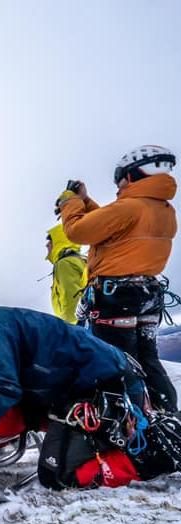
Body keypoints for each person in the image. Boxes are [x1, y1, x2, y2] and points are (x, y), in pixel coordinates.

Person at [0, 289, 148, 490]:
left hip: (107, 386)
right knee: (28, 417)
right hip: (79, 387)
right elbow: (6, 375)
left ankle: (141, 460)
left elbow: (2, 386)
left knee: (59, 474)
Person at [57, 145, 178, 411]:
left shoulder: (130, 207)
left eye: (120, 178)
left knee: (115, 361)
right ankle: (168, 417)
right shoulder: (162, 210)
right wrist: (86, 202)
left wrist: (70, 203)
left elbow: (78, 231)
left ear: (133, 175)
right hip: (147, 294)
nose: (119, 185)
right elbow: (111, 227)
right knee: (148, 359)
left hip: (116, 296)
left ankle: (126, 425)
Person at [45, 223, 87, 324]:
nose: (46, 245)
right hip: (85, 320)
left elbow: (71, 299)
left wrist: (67, 326)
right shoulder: (78, 260)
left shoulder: (64, 264)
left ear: (58, 242)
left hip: (75, 324)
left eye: (50, 242)